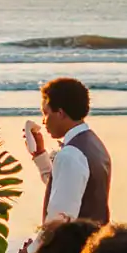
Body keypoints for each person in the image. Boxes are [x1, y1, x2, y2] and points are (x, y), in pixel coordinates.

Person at [24, 77, 110, 228]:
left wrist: (32, 250)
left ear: (60, 113)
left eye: (46, 113)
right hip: (94, 243)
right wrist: (40, 155)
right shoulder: (94, 143)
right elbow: (65, 188)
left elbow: (59, 218)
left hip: (73, 247)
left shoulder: (72, 153)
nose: (43, 121)